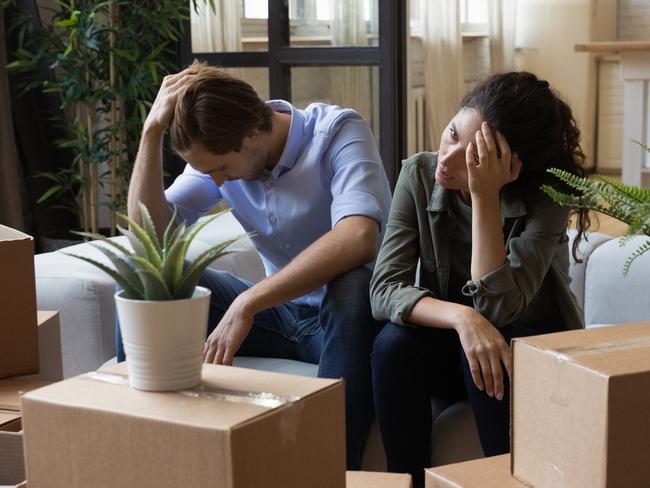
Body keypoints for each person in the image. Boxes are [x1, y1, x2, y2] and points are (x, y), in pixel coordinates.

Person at [118, 61, 392, 469]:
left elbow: (358, 237)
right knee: (148, 281)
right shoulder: (221, 151)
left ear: (252, 134)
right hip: (281, 317)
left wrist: (248, 301)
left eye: (222, 169)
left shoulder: (338, 133)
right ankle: (138, 450)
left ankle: (335, 470)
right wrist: (150, 132)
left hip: (347, 321)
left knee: (351, 284)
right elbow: (149, 237)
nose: (219, 183)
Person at [369, 72, 589, 487]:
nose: (446, 161)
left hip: (526, 352)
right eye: (451, 134)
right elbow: (383, 290)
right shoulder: (418, 174)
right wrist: (463, 319)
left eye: (471, 158)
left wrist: (485, 195)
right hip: (457, 344)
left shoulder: (548, 196)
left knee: (493, 346)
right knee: (392, 345)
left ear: (512, 165)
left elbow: (498, 309)